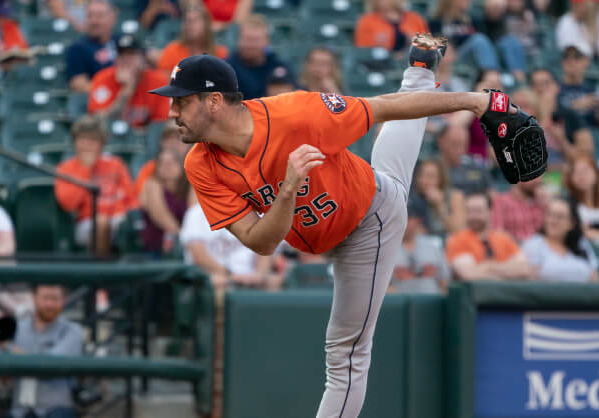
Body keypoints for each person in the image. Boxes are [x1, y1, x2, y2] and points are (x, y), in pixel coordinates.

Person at [149, 33, 521, 416]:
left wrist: (477, 102)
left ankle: (434, 82)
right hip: (350, 202)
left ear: (213, 102)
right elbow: (259, 242)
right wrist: (288, 190)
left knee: (346, 353)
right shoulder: (199, 164)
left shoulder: (297, 114)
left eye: (181, 101)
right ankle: (420, 71)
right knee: (393, 165)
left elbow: (382, 107)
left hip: (368, 221)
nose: (171, 112)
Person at [55, 115, 137, 256]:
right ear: (75, 142)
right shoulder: (65, 169)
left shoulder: (115, 164)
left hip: (119, 219)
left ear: (101, 143)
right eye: (82, 139)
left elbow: (131, 199)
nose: (87, 145)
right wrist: (86, 169)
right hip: (86, 223)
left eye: (92, 140)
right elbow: (68, 204)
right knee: (101, 222)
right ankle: (102, 273)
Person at [6, 284, 83, 418]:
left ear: (64, 300)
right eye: (45, 298)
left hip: (57, 410)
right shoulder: (16, 327)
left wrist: (9, 349)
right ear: (34, 298)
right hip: (19, 411)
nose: (49, 304)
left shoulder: (72, 331)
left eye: (55, 299)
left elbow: (49, 365)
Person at [180, 199, 281, 291]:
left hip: (251, 277)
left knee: (274, 281)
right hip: (213, 275)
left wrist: (259, 274)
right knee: (218, 282)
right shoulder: (196, 213)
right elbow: (199, 255)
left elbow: (265, 250)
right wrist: (229, 275)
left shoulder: (257, 211)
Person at [446, 192, 535, 281]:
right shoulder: (457, 239)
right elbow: (469, 274)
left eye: (478, 210)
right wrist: (506, 269)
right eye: (469, 211)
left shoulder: (503, 238)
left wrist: (487, 267)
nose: (473, 216)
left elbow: (524, 269)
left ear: (489, 212)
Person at [429, 0, 525, 80]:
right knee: (478, 40)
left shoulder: (473, 19)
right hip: (455, 56)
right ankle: (491, 74)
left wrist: (494, 13)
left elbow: (490, 37)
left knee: (509, 40)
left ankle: (519, 79)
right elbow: (436, 44)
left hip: (475, 57)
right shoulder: (436, 21)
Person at [88, 35, 170, 128]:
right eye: (121, 54)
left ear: (142, 58)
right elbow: (97, 122)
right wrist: (125, 91)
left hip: (145, 140)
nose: (126, 59)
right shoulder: (103, 78)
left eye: (131, 54)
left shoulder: (158, 81)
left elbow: (160, 126)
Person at [522, 197, 599, 283]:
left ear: (572, 223)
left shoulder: (581, 243)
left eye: (560, 217)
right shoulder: (534, 244)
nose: (553, 221)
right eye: (550, 215)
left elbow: (595, 278)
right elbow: (532, 282)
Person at [530, 68, 594, 163]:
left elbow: (586, 158)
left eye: (546, 83)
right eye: (536, 84)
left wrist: (562, 140)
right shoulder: (523, 116)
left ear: (556, 87)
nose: (541, 88)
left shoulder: (570, 115)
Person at [225, 14, 295, 100]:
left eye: (256, 40)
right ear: (239, 40)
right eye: (248, 39)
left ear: (267, 41)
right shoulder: (226, 68)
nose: (251, 45)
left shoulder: (279, 66)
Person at [139, 148, 190, 255]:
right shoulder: (151, 184)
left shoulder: (191, 187)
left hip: (190, 247)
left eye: (172, 162)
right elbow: (159, 214)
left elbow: (195, 214)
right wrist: (182, 236)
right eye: (162, 162)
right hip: (156, 251)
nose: (167, 166)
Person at [389, 204, 449, 294]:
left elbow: (444, 282)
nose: (402, 223)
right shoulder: (386, 249)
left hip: (433, 303)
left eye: (407, 219)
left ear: (418, 221)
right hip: (400, 305)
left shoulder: (433, 245)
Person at [66, 0, 117, 93]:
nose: (94, 21)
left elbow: (149, 56)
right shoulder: (77, 48)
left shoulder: (123, 41)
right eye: (90, 16)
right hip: (99, 101)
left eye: (99, 16)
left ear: (112, 18)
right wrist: (112, 94)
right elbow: (79, 85)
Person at [157, 6, 228, 73]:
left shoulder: (220, 53)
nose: (190, 23)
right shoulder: (171, 50)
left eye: (195, 20)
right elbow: (163, 81)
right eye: (187, 20)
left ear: (206, 25)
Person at [557, 42, 599, 129]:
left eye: (577, 56)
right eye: (566, 56)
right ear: (562, 62)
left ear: (586, 61)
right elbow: (550, 119)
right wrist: (575, 106)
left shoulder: (593, 90)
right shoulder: (554, 89)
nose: (571, 61)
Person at [408, 158, 465, 235]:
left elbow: (458, 230)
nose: (423, 180)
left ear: (441, 179)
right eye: (420, 175)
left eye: (430, 177)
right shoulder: (412, 198)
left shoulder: (454, 196)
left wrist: (440, 205)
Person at [135, 120, 192, 197]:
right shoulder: (151, 168)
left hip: (193, 206)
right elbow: (140, 198)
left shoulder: (199, 167)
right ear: (161, 142)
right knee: (151, 185)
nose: (173, 142)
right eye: (168, 138)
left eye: (178, 138)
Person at [354, 0, 429, 52]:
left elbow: (427, 46)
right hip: (381, 65)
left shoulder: (415, 19)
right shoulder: (366, 21)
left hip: (411, 63)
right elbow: (363, 50)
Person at [437, 123, 492, 195]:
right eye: (455, 144)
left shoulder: (476, 166)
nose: (459, 149)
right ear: (441, 142)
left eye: (464, 144)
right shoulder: (433, 168)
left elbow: (491, 193)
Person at [491, 176, 547, 242]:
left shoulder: (539, 202)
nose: (536, 181)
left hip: (537, 245)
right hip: (513, 246)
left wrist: (545, 205)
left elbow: (549, 231)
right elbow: (498, 232)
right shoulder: (501, 201)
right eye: (532, 178)